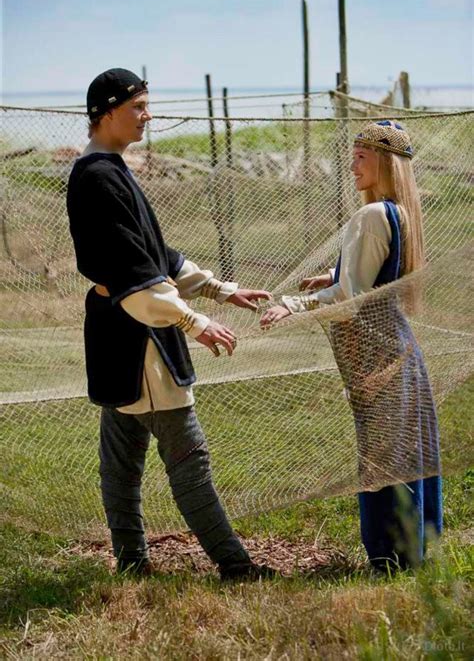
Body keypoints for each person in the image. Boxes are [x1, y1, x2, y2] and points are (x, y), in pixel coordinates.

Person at [67, 68, 275, 580]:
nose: (147, 115)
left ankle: (133, 564)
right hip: (140, 343)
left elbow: (153, 254)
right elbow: (131, 274)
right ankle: (234, 566)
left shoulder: (108, 168)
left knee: (121, 460)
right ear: (108, 111)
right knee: (188, 461)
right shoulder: (97, 175)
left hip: (122, 337)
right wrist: (192, 321)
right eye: (138, 106)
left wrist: (220, 289)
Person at [260, 120, 443, 572]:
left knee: (383, 457)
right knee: (406, 452)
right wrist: (336, 274)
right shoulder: (399, 212)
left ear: (385, 162)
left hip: (377, 355)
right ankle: (417, 550)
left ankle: (392, 558)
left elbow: (349, 303)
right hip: (400, 348)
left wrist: (293, 304)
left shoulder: (370, 215)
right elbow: (376, 279)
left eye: (361, 156)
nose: (352, 164)